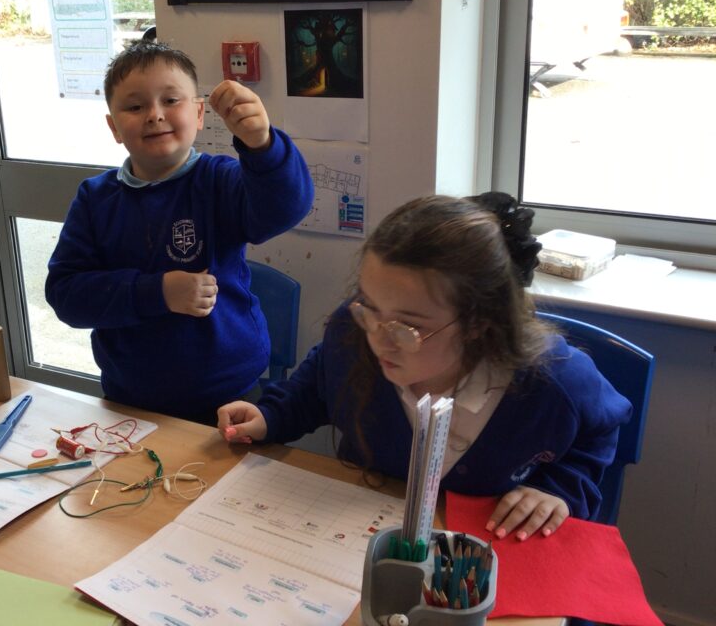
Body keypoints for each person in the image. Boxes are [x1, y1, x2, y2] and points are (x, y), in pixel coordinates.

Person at [218, 193, 631, 540]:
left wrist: (561, 489)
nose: (377, 338)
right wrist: (270, 416)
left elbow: (599, 433)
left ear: (478, 323)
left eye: (408, 327)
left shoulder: (556, 381)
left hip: (481, 552)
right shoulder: (354, 330)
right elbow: (317, 386)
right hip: (363, 534)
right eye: (369, 306)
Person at [46, 40, 314, 422]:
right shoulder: (95, 199)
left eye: (171, 100)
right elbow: (66, 295)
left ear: (199, 113)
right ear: (114, 126)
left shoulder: (219, 180)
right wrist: (157, 292)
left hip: (230, 394)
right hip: (129, 398)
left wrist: (263, 145)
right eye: (135, 107)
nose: (155, 115)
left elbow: (285, 208)